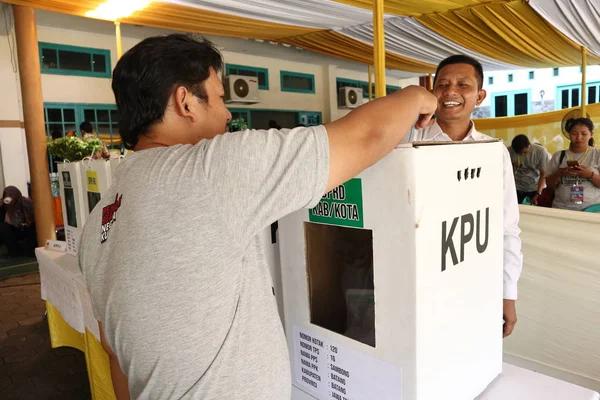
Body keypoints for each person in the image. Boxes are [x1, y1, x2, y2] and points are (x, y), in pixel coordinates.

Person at [78, 33, 437, 400]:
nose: (228, 113)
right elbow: (367, 135)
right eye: (219, 97)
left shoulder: (98, 222)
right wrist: (416, 96)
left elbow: (114, 351)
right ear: (184, 101)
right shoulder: (208, 171)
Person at [405, 54, 523, 339]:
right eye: (442, 84)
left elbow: (506, 227)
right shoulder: (406, 140)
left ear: (480, 96)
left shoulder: (494, 152)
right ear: (431, 93)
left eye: (463, 85)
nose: (451, 92)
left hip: (471, 276)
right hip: (414, 273)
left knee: (462, 348)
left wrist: (508, 294)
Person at [546, 117, 600, 211]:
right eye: (574, 133)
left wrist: (590, 175)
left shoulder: (597, 155)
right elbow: (549, 185)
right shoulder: (559, 156)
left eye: (584, 134)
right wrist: (560, 173)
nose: (579, 138)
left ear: (591, 134)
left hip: (591, 210)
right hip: (561, 208)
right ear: (569, 134)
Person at [508, 134, 548, 204]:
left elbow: (543, 174)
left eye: (524, 152)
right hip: (517, 188)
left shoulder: (540, 151)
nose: (522, 155)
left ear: (529, 145)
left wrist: (538, 193)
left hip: (535, 187)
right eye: (519, 153)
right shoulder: (509, 151)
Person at [0, 186, 36, 258]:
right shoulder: (4, 206)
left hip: (27, 228)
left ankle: (32, 251)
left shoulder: (27, 202)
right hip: (14, 230)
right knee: (3, 228)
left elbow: (33, 218)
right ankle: (14, 251)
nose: (8, 198)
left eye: (10, 195)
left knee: (33, 227)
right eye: (6, 195)